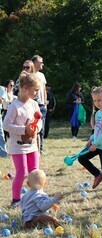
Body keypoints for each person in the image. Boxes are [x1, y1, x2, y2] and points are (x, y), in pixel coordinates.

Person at [3, 72, 42, 207]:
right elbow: (6, 125)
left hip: (32, 145)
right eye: (35, 90)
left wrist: (36, 129)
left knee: (35, 171)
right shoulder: (14, 106)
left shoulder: (34, 104)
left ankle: (36, 196)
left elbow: (39, 121)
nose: (37, 93)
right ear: (25, 88)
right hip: (18, 146)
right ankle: (15, 200)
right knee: (22, 171)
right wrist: (23, 130)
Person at [78, 86, 102, 196]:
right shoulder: (98, 113)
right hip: (96, 144)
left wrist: (96, 143)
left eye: (100, 100)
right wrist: (91, 139)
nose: (97, 103)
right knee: (82, 157)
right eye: (95, 101)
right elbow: (97, 130)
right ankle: (97, 174)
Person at [31, 55, 47, 154]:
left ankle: (40, 148)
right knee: (33, 126)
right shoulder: (30, 75)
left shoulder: (42, 75)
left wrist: (45, 102)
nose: (42, 64)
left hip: (41, 104)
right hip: (33, 104)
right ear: (35, 63)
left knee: (42, 128)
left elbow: (44, 89)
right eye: (40, 62)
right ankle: (32, 148)